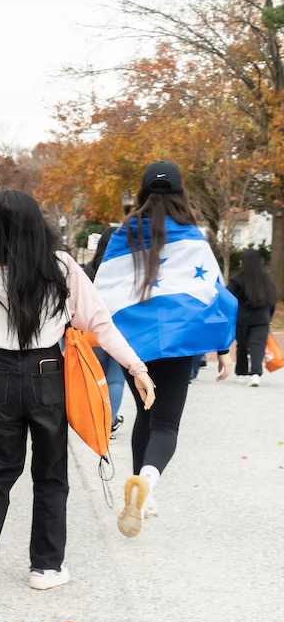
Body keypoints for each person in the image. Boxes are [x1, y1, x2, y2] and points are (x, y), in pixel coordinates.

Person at [0, 191, 155, 599]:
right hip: (45, 374)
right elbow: (101, 325)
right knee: (51, 475)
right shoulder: (61, 267)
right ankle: (45, 566)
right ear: (37, 223)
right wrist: (137, 368)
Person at [94, 161, 236, 536]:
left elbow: (103, 287)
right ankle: (148, 484)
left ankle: (142, 494)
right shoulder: (192, 235)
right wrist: (224, 347)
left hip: (132, 342)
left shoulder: (123, 233)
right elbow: (213, 293)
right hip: (177, 338)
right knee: (166, 423)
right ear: (180, 192)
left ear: (141, 192)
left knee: (144, 414)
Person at [82, 226, 126, 438]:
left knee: (96, 378)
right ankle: (108, 424)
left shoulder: (88, 273)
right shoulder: (130, 272)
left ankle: (94, 420)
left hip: (94, 332)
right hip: (123, 332)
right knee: (116, 379)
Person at [228, 248, 276, 386]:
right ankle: (255, 374)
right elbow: (272, 301)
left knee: (242, 346)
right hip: (262, 319)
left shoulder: (237, 279)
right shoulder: (267, 280)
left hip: (242, 319)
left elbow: (228, 299)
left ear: (243, 262)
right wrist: (269, 318)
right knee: (257, 346)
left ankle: (241, 373)